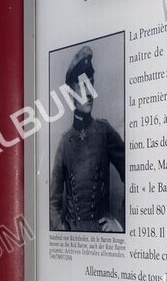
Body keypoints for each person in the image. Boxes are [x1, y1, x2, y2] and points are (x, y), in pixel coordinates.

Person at [49, 45, 125, 232]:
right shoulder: (65, 143)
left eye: (91, 84)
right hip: (73, 240)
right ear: (70, 95)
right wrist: (61, 230)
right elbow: (53, 202)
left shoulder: (104, 131)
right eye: (83, 87)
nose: (90, 93)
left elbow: (137, 174)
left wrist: (120, 222)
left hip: (101, 239)